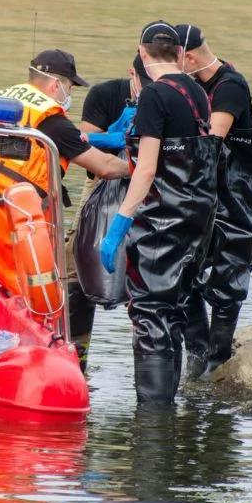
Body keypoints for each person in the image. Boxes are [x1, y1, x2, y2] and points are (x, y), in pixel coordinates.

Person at [99, 21, 220, 405]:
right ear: (177, 53)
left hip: (161, 223)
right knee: (174, 310)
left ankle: (151, 422)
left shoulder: (154, 95)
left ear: (143, 51)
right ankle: (168, 413)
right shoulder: (196, 91)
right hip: (197, 219)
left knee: (151, 313)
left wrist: (119, 223)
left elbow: (147, 167)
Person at [0, 49, 130, 304]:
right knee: (33, 300)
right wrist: (140, 167)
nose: (69, 95)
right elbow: (104, 166)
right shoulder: (51, 121)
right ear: (56, 84)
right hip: (10, 223)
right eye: (70, 88)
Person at [176, 23, 252, 379]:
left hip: (239, 195)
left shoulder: (229, 85)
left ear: (188, 56)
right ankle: (197, 351)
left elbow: (213, 139)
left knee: (228, 276)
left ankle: (217, 361)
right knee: (183, 269)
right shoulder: (193, 83)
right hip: (205, 190)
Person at [67, 62, 150, 371]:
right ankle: (77, 355)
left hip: (152, 184)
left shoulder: (167, 95)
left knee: (145, 272)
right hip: (104, 182)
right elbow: (85, 151)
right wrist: (119, 136)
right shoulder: (104, 95)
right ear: (133, 74)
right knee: (76, 265)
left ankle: (143, 359)